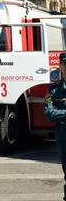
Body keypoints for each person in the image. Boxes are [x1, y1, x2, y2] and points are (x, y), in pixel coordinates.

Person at [46, 52, 66, 201]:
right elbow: (49, 113)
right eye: (65, 64)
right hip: (62, 134)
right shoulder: (53, 89)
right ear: (60, 66)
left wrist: (61, 112)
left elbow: (55, 112)